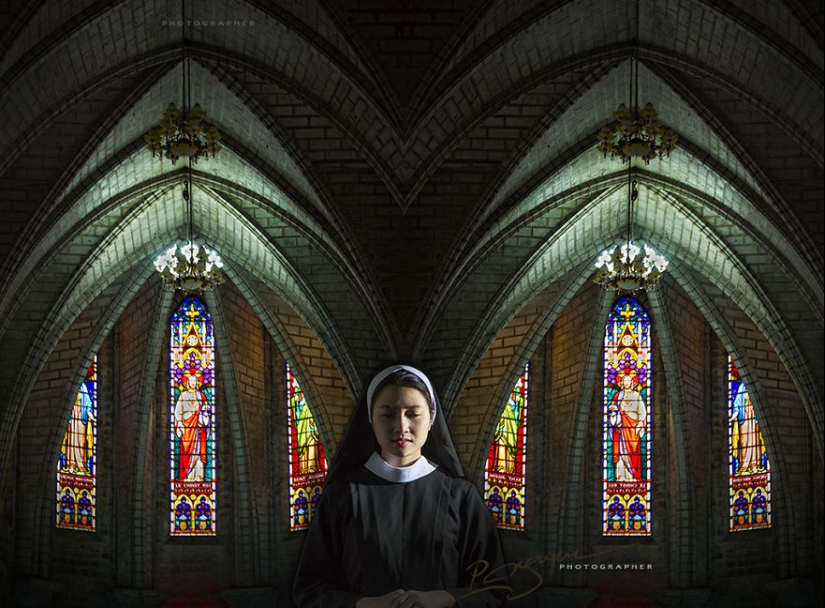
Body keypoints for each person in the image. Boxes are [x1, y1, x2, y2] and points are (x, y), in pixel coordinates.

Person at [293, 364, 507, 608]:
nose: (401, 426)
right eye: (388, 414)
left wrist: (445, 598)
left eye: (413, 414)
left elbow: (493, 586)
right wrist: (364, 605)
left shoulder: (462, 497)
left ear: (431, 419)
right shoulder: (341, 496)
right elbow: (309, 589)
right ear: (371, 420)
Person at [608, 371, 647, 481]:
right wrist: (614, 416)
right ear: (621, 382)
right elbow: (613, 411)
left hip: (632, 430)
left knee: (633, 454)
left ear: (632, 383)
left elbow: (642, 413)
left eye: (629, 380)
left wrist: (640, 423)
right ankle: (621, 478)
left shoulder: (636, 396)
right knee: (621, 454)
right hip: (621, 430)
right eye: (624, 380)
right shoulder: (618, 396)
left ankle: (632, 478)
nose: (626, 382)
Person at [173, 370, 211, 481]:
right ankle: (187, 478)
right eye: (191, 381)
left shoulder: (201, 396)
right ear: (188, 383)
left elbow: (205, 412)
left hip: (198, 430)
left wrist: (204, 415)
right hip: (187, 430)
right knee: (186, 454)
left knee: (198, 454)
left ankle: (198, 477)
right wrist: (179, 422)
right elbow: (177, 412)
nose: (193, 383)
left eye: (195, 381)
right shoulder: (183, 395)